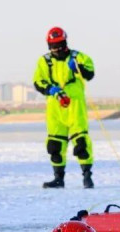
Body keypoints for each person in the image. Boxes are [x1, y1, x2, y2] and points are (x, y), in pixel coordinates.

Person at [33, 27, 96, 189]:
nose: (56, 49)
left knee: (81, 142)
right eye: (52, 45)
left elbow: (90, 74)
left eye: (58, 45)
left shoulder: (78, 57)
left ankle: (87, 176)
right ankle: (58, 178)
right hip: (55, 107)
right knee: (55, 144)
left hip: (75, 106)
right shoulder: (44, 61)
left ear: (64, 43)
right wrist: (50, 89)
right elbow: (38, 81)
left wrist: (78, 68)